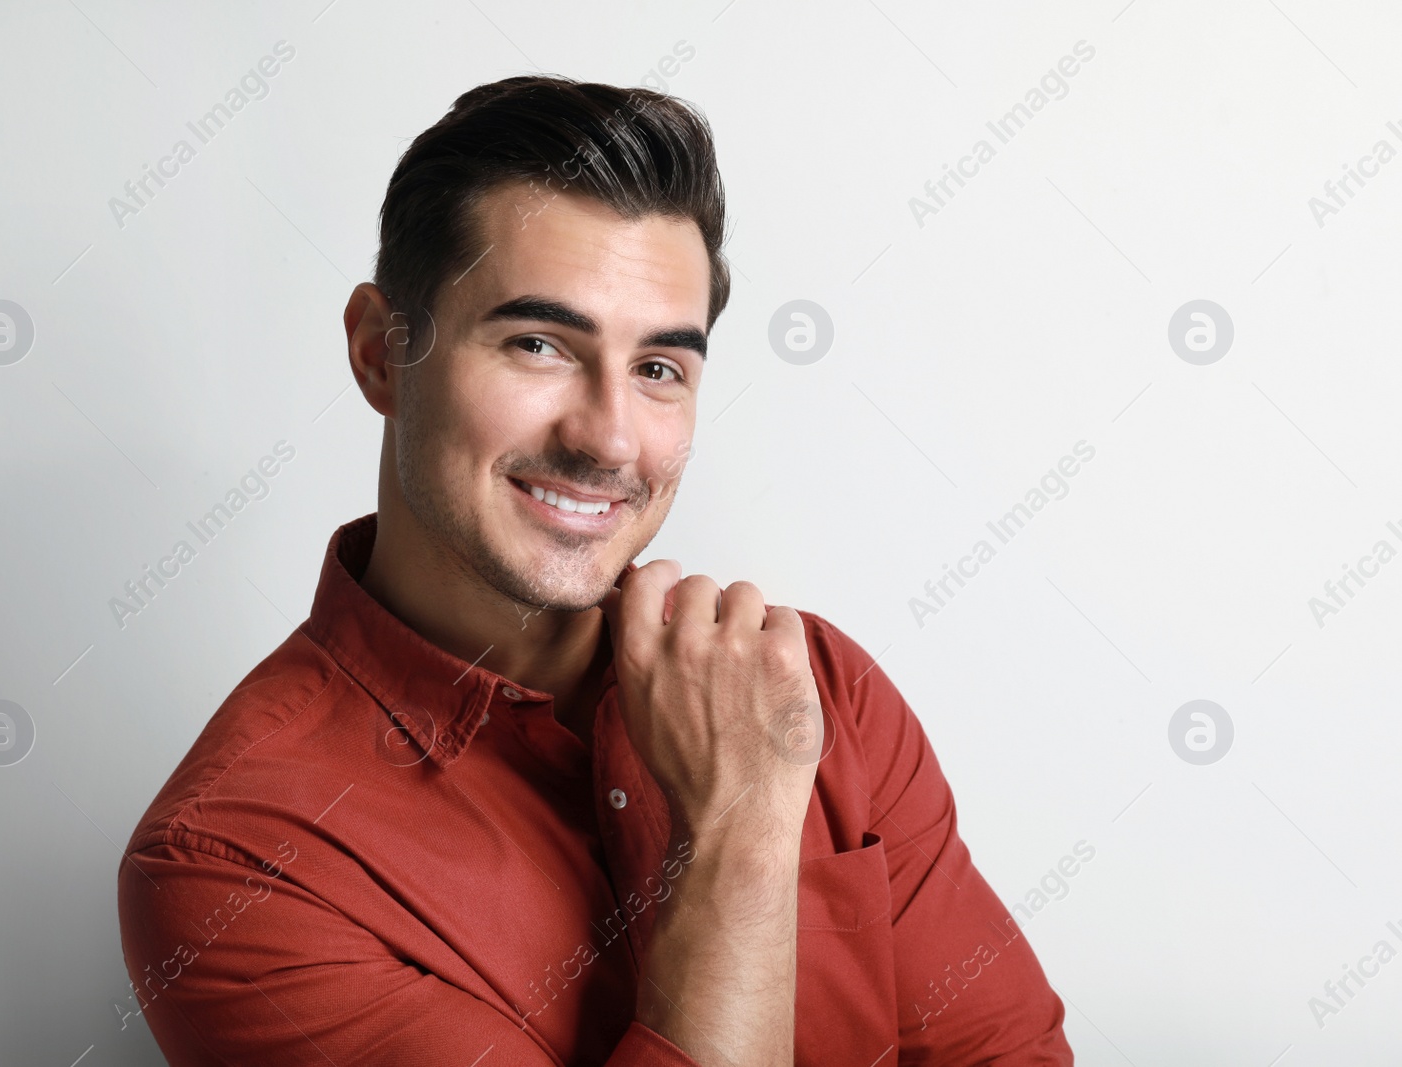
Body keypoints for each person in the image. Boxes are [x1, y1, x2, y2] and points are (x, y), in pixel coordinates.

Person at [117, 74, 1073, 1065]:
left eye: (660, 367)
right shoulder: (234, 863)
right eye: (538, 343)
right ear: (379, 351)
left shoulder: (817, 689)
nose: (610, 436)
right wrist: (743, 837)